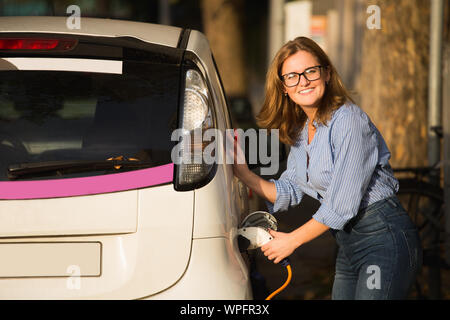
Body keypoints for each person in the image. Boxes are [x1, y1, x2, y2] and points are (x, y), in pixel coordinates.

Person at [232, 37, 422, 300]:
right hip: (347, 243)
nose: (303, 81)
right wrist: (243, 173)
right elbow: (289, 190)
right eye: (292, 76)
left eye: (310, 71)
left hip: (383, 240)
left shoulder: (349, 121)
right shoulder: (302, 129)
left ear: (327, 73)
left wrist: (291, 241)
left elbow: (340, 205)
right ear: (284, 87)